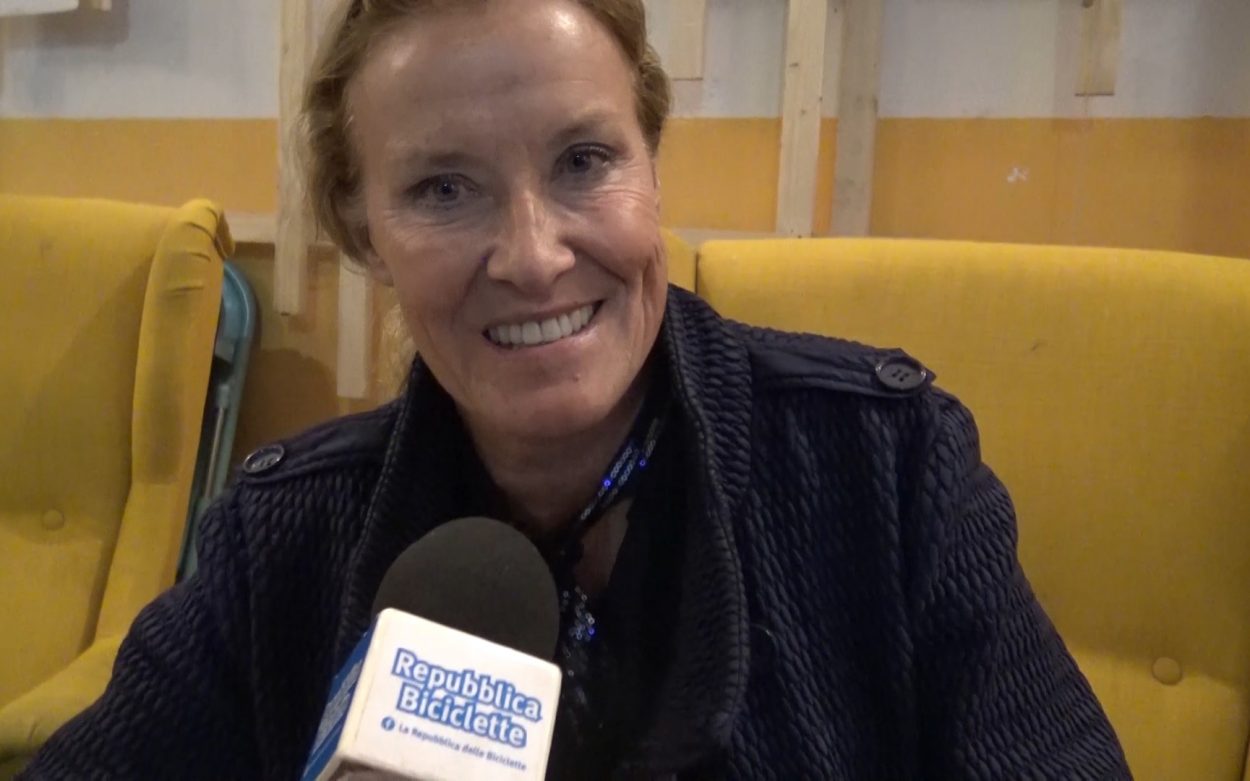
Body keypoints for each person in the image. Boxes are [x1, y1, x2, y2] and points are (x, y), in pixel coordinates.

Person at [22, 0, 1131, 778]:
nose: (533, 255)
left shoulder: (885, 466)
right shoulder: (283, 538)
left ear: (651, 164)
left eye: (584, 162)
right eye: (443, 188)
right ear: (364, 232)